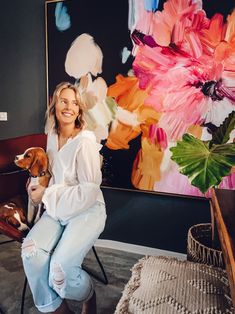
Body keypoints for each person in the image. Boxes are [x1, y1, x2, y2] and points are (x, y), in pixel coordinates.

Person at [21, 82, 106, 314]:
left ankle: (88, 293)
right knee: (31, 252)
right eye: (64, 101)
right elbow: (53, 176)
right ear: (55, 105)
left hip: (87, 211)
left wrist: (46, 195)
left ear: (79, 111)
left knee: (61, 270)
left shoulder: (85, 143)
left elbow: (88, 192)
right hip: (57, 209)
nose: (69, 107)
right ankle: (60, 310)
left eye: (75, 103)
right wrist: (36, 186)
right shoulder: (51, 136)